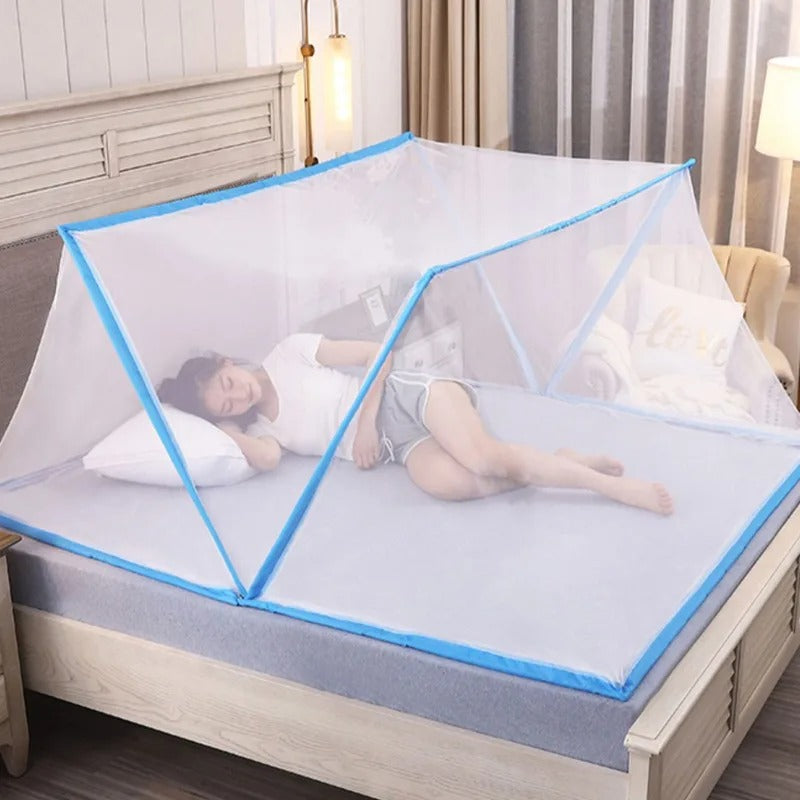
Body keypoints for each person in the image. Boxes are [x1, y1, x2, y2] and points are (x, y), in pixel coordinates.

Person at [158, 333, 673, 515]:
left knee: (483, 458)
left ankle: (610, 488)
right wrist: (224, 432)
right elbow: (266, 460)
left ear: (226, 362)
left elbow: (379, 352)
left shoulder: (289, 353)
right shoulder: (262, 432)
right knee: (451, 486)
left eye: (227, 383)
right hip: (398, 447)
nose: (238, 396)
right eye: (226, 405)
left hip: (406, 398)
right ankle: (559, 462)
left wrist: (364, 424)